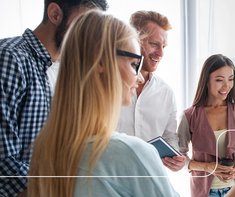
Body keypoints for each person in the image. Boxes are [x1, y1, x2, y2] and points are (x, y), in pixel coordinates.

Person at [28, 10, 179, 197]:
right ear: (101, 61)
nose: (138, 77)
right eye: (133, 64)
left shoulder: (44, 150)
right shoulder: (130, 154)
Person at [0, 1, 108, 196]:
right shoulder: (9, 57)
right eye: (83, 25)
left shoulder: (67, 69)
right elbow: (4, 161)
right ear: (55, 14)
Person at [117, 10, 186, 171]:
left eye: (163, 46)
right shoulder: (108, 87)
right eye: (154, 44)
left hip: (149, 181)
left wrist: (176, 158)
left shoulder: (166, 93)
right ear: (133, 40)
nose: (160, 53)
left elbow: (170, 136)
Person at [178, 54, 235, 197]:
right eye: (219, 80)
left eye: (231, 79)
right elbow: (180, 157)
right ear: (207, 81)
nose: (226, 85)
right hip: (205, 192)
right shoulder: (189, 116)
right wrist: (208, 167)